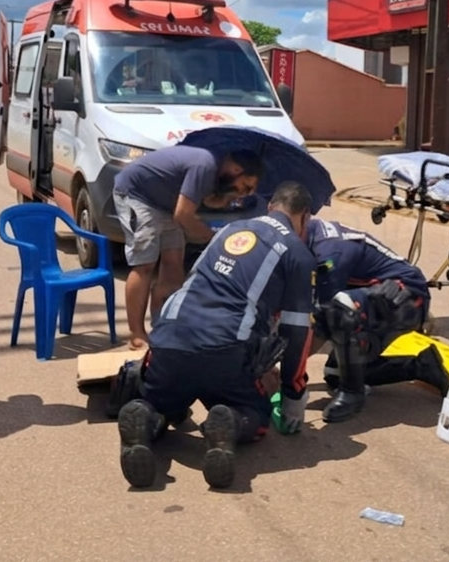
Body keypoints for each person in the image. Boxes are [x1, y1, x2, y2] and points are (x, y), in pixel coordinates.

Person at [117, 181, 316, 490]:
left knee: (163, 401)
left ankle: (145, 416)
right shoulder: (296, 252)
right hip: (226, 350)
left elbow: (194, 278)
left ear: (270, 207)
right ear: (304, 216)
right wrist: (292, 394)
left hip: (169, 338)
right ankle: (230, 422)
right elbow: (298, 330)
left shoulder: (228, 231)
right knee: (254, 414)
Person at [113, 145, 264, 351]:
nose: (243, 193)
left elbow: (208, 203)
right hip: (137, 195)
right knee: (145, 265)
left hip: (166, 204)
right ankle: (136, 333)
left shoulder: (219, 176)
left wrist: (230, 196)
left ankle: (163, 328)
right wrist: (213, 238)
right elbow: (183, 215)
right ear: (237, 170)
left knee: (174, 263)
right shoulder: (205, 165)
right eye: (245, 187)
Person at [305, 218, 449, 423]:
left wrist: (287, 374)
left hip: (406, 297)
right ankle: (421, 365)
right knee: (337, 374)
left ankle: (352, 395)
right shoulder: (308, 237)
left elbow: (322, 321)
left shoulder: (330, 253)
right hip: (373, 301)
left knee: (340, 309)